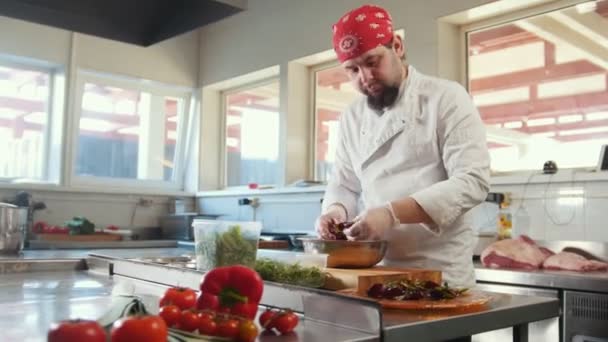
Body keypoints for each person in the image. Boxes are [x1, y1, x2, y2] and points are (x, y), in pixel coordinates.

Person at [315, 4, 490, 287]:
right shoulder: (352, 116)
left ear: (397, 45)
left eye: (372, 62)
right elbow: (345, 184)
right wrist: (335, 211)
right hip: (375, 275)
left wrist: (391, 213)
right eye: (353, 69)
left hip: (441, 276)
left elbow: (472, 181)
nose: (365, 78)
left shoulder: (446, 98)